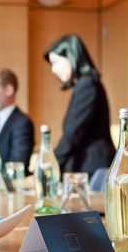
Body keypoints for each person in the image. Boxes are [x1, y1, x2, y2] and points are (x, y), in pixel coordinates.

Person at [44, 34, 116, 177]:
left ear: (71, 56)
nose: (53, 69)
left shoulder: (87, 85)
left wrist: (49, 167)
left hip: (93, 168)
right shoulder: (85, 84)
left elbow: (72, 134)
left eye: (56, 62)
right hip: (89, 167)